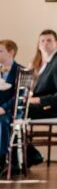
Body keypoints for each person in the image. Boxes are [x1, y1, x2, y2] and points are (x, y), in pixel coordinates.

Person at [28, 30, 57, 119]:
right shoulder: (45, 63)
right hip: (42, 108)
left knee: (12, 111)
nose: (45, 43)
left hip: (52, 110)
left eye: (49, 40)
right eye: (42, 41)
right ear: (38, 46)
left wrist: (36, 100)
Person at [0, 39, 21, 169]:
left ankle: (2, 160)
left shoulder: (21, 71)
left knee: (2, 120)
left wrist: (4, 108)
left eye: (0, 51)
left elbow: (20, 97)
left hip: (13, 110)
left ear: (11, 53)